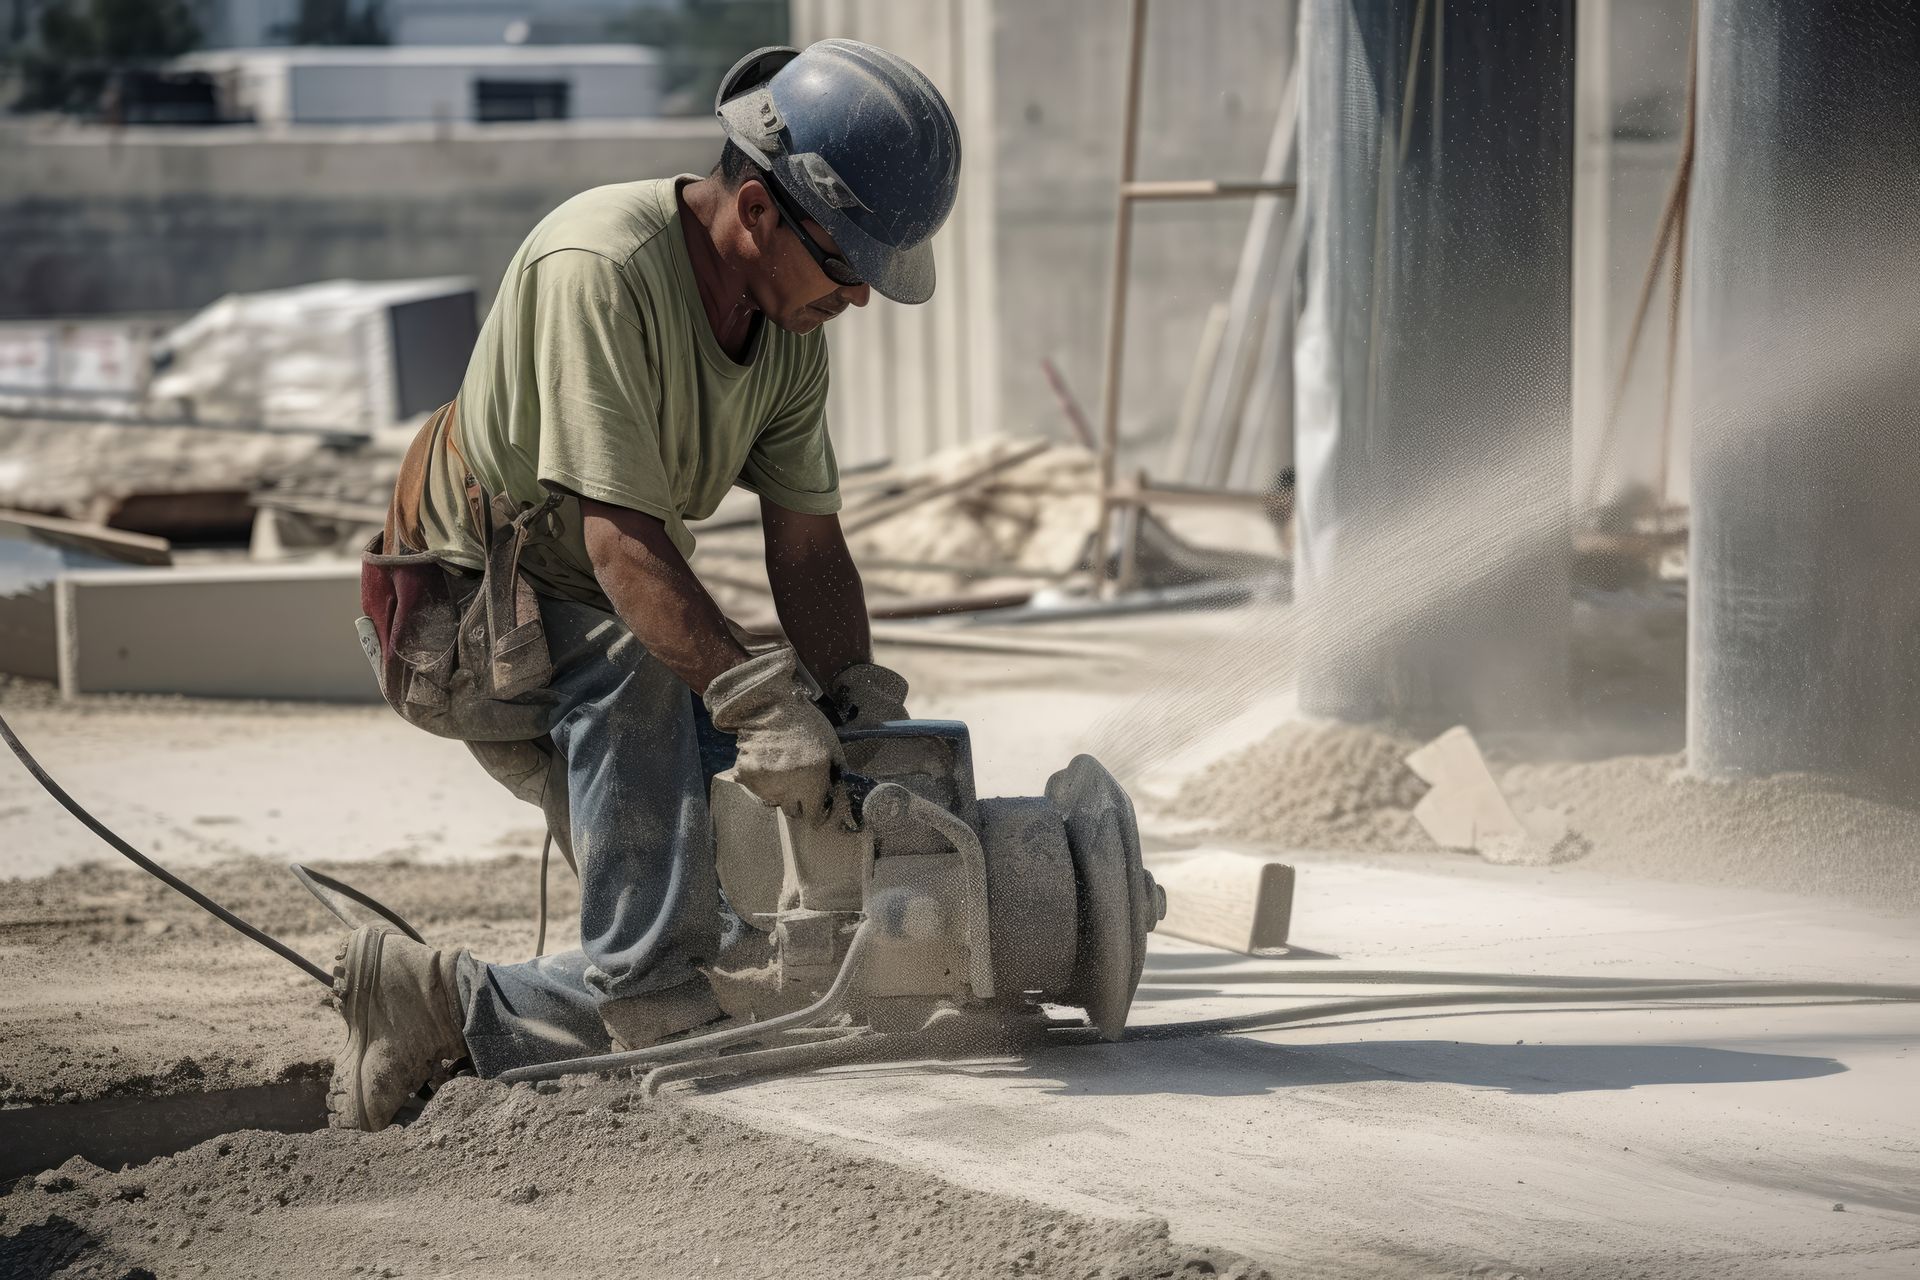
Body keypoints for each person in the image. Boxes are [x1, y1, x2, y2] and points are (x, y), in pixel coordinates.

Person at [330, 39, 962, 1132]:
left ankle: (432, 999)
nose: (860, 297)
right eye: (847, 263)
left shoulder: (787, 333)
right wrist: (763, 703)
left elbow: (808, 552)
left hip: (597, 619)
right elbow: (623, 548)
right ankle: (651, 993)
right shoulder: (601, 267)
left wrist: (853, 704)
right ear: (757, 211)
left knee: (761, 931)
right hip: (472, 624)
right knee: (672, 947)